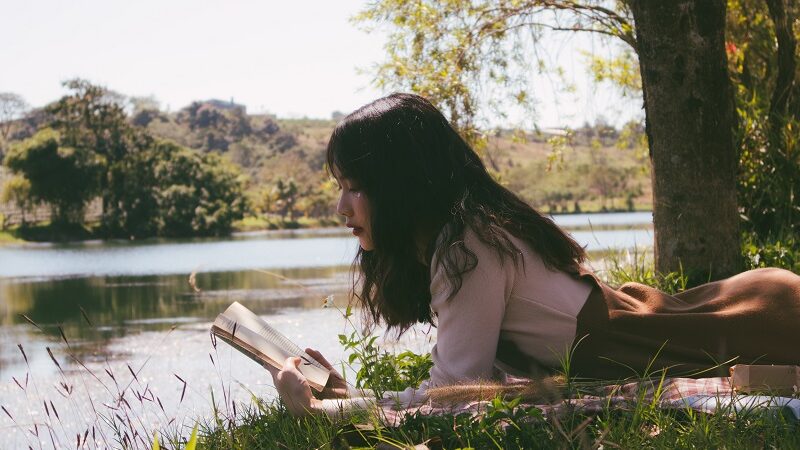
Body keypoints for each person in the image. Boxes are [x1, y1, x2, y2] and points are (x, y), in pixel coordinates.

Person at [265, 93, 800, 417]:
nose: (340, 207)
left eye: (355, 187)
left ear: (401, 186)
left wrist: (331, 409)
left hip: (760, 323)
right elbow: (467, 385)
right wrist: (343, 396)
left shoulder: (467, 245)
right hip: (715, 316)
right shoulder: (466, 234)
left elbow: (453, 394)